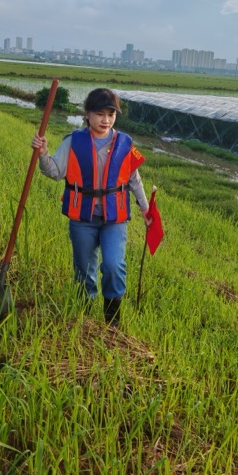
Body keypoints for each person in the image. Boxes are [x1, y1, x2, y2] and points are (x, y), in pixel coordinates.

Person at [32, 87, 150, 326]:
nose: (106, 120)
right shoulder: (73, 141)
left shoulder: (126, 144)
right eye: (100, 114)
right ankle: (84, 321)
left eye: (111, 114)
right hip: (82, 219)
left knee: (114, 266)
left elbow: (134, 179)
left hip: (114, 219)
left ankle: (112, 323)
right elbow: (55, 172)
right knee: (84, 271)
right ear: (87, 114)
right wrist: (43, 154)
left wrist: (145, 208)